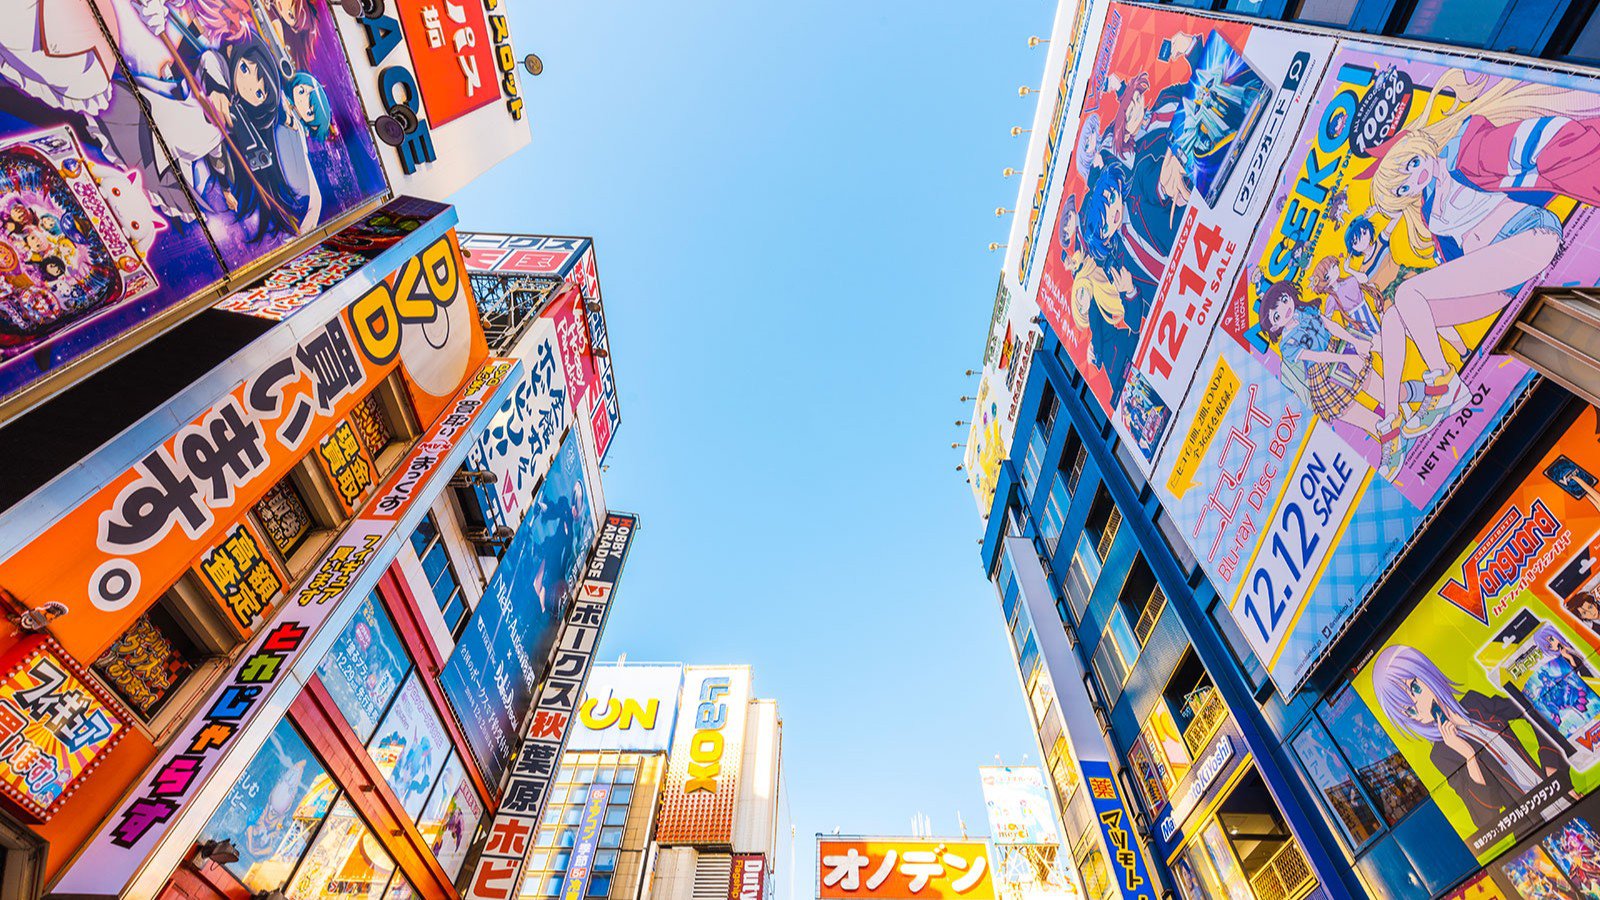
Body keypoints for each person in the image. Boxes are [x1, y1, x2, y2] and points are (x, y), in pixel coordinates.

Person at [1365, 68, 1600, 450]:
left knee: (1410, 295)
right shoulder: (1428, 211)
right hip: (1499, 277)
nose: (1415, 177)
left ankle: (1443, 383)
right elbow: (1455, 267)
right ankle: (1390, 421)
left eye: (1409, 165)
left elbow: (1531, 143)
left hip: (1528, 234)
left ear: (1417, 148)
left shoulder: (1464, 151)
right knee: (1396, 313)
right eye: (1404, 186)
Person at [1371, 644, 1572, 833]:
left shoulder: (1474, 702)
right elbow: (1484, 818)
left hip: (1557, 792)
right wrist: (1469, 756)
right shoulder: (1441, 754)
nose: (1420, 705)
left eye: (1415, 688)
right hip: (1531, 826)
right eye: (1410, 710)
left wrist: (1552, 767)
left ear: (1427, 675)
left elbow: (1530, 709)